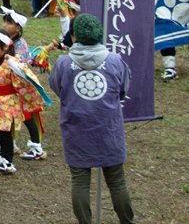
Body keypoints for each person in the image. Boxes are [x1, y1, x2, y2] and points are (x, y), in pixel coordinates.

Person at [48, 14, 137, 224]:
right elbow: (123, 89)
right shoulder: (115, 61)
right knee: (117, 182)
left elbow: (57, 87)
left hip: (76, 129)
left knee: (80, 182)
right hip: (109, 130)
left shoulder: (63, 62)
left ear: (73, 35)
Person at [0, 29, 41, 175]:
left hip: (8, 102)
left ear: (5, 47)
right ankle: (4, 157)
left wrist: (15, 66)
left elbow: (24, 78)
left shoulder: (11, 62)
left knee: (6, 132)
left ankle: (7, 160)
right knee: (1, 131)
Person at [0, 8, 45, 160]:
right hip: (10, 86)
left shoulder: (21, 45)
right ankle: (7, 142)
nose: (4, 25)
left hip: (20, 87)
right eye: (4, 22)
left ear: (18, 28)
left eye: (8, 23)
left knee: (26, 116)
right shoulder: (8, 42)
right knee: (9, 115)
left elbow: (20, 66)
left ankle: (36, 146)